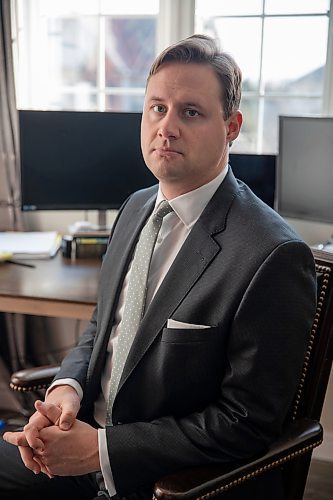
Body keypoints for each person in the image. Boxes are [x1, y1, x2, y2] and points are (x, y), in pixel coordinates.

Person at [0, 34, 316, 500]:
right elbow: (99, 332)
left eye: (190, 112)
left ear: (231, 127)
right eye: (156, 108)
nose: (166, 127)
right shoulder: (135, 208)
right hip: (81, 444)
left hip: (166, 481)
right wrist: (66, 389)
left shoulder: (273, 255)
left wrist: (101, 450)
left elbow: (245, 424)